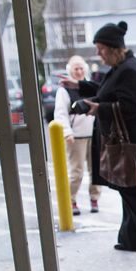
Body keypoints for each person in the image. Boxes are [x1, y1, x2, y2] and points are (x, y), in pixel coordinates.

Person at [61, 21, 136, 259]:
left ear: (114, 48)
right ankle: (131, 239)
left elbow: (129, 106)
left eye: (101, 49)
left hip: (131, 148)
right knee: (128, 191)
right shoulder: (122, 68)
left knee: (132, 193)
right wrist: (79, 86)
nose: (98, 54)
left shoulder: (129, 70)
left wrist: (97, 109)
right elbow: (106, 91)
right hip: (128, 146)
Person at [53, 55, 100, 215]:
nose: (79, 71)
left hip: (93, 134)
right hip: (76, 136)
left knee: (96, 171)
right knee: (76, 172)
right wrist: (67, 132)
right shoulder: (64, 90)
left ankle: (94, 198)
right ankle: (71, 200)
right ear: (70, 70)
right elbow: (60, 114)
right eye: (76, 69)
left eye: (81, 68)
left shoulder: (90, 85)